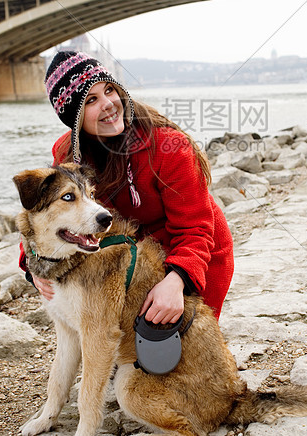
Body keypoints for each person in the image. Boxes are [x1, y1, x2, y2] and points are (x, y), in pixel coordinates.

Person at [19, 50, 234, 323]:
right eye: (92, 100)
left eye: (110, 90)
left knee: (178, 354)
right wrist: (33, 265)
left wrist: (177, 280)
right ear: (74, 118)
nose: (109, 104)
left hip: (195, 254)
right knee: (129, 357)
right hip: (130, 258)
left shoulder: (169, 147)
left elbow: (195, 229)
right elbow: (42, 212)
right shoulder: (68, 154)